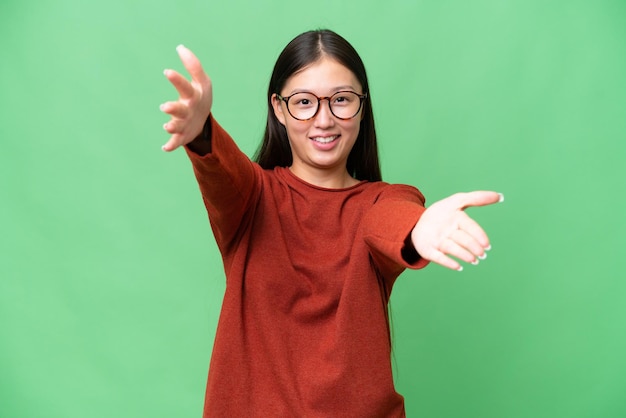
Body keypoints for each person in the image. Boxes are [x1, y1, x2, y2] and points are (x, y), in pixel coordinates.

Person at [159, 29, 502, 418]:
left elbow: (389, 220)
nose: (324, 120)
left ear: (362, 106)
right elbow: (225, 171)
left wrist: (417, 230)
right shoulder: (252, 199)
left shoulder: (384, 199)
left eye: (341, 100)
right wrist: (203, 131)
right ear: (279, 108)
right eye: (304, 102)